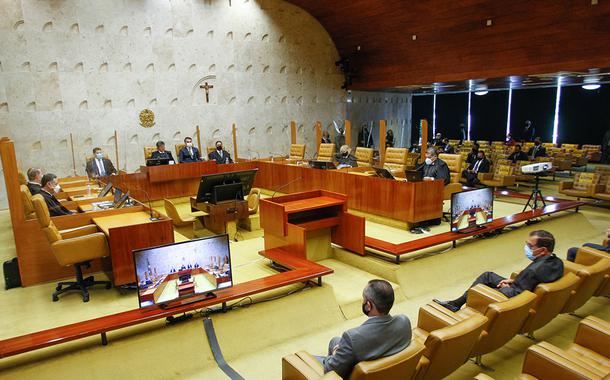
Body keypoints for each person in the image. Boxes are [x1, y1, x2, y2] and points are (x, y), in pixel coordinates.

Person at [434, 230, 563, 312]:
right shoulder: (557, 262)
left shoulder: (533, 271)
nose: (527, 248)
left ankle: (461, 306)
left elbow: (518, 295)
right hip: (523, 285)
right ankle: (456, 303)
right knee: (487, 276)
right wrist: (514, 280)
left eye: (530, 246)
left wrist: (506, 286)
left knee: (481, 287)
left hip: (511, 297)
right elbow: (533, 281)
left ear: (543, 250)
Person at [319, 280, 412, 379]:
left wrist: (334, 355)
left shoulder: (352, 338)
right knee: (334, 341)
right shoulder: (404, 321)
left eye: (363, 298)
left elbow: (330, 370)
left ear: (368, 305)